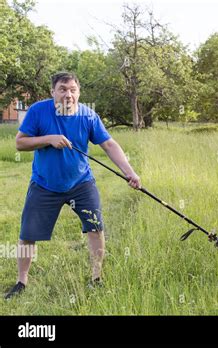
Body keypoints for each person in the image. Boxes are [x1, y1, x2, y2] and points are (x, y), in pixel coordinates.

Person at [4, 72, 141, 300]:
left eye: (72, 89)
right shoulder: (38, 111)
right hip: (44, 184)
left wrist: (130, 172)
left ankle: (97, 278)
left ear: (78, 92)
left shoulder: (88, 116)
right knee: (28, 234)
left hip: (81, 182)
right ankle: (21, 281)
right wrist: (48, 139)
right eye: (62, 89)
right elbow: (20, 143)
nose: (68, 94)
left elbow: (108, 143)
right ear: (53, 92)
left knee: (95, 227)